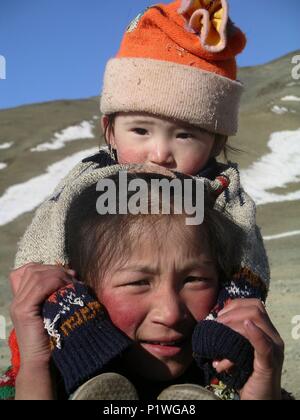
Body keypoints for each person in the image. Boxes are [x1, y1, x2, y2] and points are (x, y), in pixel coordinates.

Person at [1, 167, 285, 400]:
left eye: (194, 279)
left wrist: (262, 388)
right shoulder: (43, 381)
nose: (170, 313)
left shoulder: (241, 379)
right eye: (138, 282)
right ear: (80, 291)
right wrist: (35, 366)